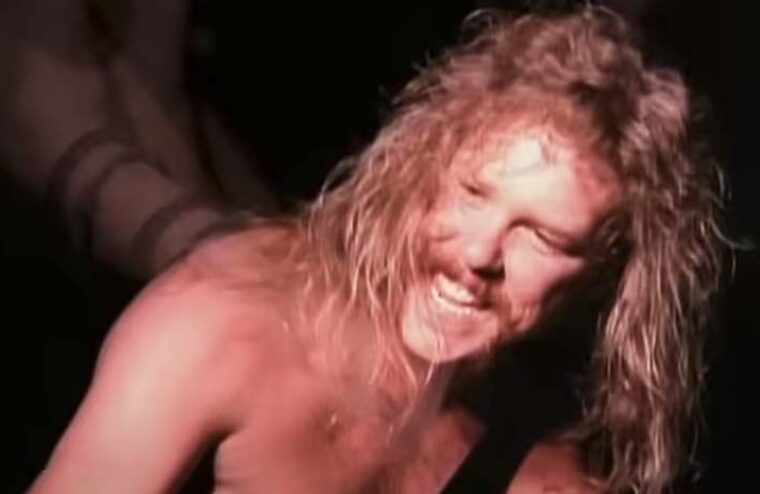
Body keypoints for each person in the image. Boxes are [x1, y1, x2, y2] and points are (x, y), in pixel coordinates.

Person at [27, 6, 725, 494]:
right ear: (422, 163)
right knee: (86, 124)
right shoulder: (215, 327)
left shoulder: (551, 460)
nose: (480, 252)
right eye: (472, 191)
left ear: (605, 272)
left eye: (541, 236)